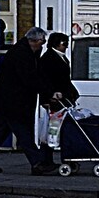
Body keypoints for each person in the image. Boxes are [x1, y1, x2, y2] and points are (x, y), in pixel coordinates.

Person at [0, 27, 52, 174]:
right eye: (41, 43)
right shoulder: (21, 54)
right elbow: (29, 78)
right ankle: (37, 162)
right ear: (34, 41)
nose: (42, 46)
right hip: (13, 101)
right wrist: (47, 92)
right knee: (23, 132)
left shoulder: (28, 52)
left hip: (9, 100)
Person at [39, 31, 80, 162]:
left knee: (59, 128)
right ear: (56, 44)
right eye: (64, 43)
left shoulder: (60, 57)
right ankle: (46, 159)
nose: (66, 46)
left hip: (63, 98)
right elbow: (45, 81)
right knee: (53, 129)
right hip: (55, 100)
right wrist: (47, 97)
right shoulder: (49, 59)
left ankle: (63, 157)